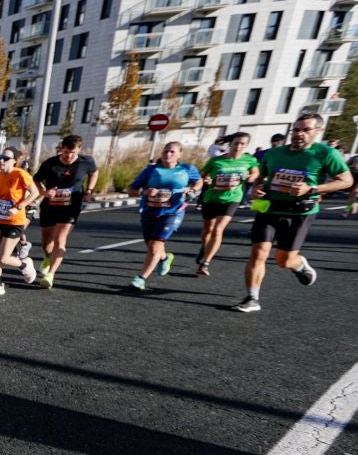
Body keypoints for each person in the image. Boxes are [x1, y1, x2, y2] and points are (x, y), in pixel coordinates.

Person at [233, 113, 353, 312]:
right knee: (258, 253)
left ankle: (298, 265)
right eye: (296, 130)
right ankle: (252, 298)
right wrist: (257, 188)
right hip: (270, 208)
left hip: (300, 212)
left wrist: (312, 189)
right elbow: (261, 177)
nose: (299, 134)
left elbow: (346, 181)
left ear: (318, 131)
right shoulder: (274, 153)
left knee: (284, 260)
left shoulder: (326, 153)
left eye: (305, 130)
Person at [126, 141, 202, 291]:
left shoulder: (187, 169)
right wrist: (144, 192)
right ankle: (165, 258)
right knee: (151, 245)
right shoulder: (151, 170)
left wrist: (192, 190)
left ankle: (141, 279)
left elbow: (198, 181)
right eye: (165, 151)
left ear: (180, 154)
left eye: (172, 152)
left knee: (155, 246)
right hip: (150, 211)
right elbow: (131, 189)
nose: (168, 154)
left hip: (173, 212)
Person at [33, 135, 100, 289]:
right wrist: (43, 192)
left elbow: (94, 172)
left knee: (60, 239)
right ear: (61, 149)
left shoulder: (86, 161)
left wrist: (89, 190)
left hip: (71, 207)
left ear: (79, 150)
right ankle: (48, 258)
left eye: (73, 153)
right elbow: (36, 180)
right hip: (50, 206)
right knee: (46, 240)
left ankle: (50, 274)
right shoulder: (50, 164)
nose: (69, 156)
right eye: (65, 152)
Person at [195, 131, 258, 276]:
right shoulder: (216, 161)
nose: (239, 146)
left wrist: (251, 177)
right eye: (236, 143)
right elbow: (201, 176)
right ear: (231, 144)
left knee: (218, 230)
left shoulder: (249, 160)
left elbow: (255, 172)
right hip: (212, 198)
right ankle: (204, 248)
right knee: (208, 229)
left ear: (247, 145)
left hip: (232, 198)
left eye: (243, 144)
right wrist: (206, 181)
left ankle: (205, 263)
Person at [0, 146, 40, 296]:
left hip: (14, 220)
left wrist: (19, 206)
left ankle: (24, 265)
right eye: (0, 157)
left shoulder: (21, 174)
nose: (1, 160)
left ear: (14, 161)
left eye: (5, 158)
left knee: (3, 257)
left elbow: (35, 192)